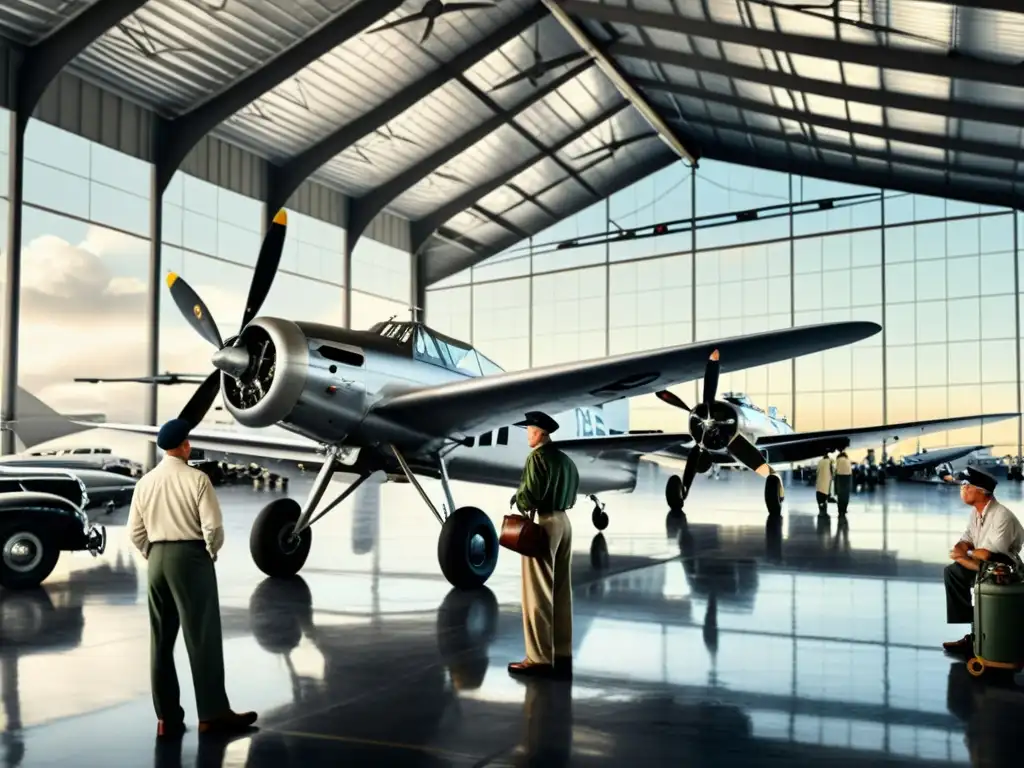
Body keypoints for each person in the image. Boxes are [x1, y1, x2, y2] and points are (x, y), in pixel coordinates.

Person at [128, 418, 257, 737]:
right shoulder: (197, 479)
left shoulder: (145, 482)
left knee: (160, 641)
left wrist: (153, 552)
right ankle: (212, 714)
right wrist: (209, 552)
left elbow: (135, 531)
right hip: (191, 557)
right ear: (184, 445)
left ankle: (166, 717)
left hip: (157, 559)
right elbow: (212, 528)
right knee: (202, 637)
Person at [507, 411, 580, 679]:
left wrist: (519, 499)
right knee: (561, 591)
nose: (527, 433)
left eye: (529, 430)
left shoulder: (537, 457)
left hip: (545, 524)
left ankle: (538, 658)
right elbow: (573, 490)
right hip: (565, 522)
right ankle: (561, 653)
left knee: (537, 591)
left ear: (540, 433)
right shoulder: (565, 459)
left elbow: (531, 493)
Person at [939, 466, 1024, 656]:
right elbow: (965, 541)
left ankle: (982, 632)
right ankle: (976, 630)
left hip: (1003, 567)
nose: (962, 488)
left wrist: (963, 554)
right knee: (952, 572)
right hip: (983, 562)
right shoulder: (976, 512)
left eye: (966, 485)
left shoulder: (1001, 515)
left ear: (980, 491)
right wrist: (964, 551)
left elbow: (988, 555)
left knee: (960, 567)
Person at [834, 450, 852, 517]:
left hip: (840, 476)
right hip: (847, 477)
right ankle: (844, 509)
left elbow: (836, 469)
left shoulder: (838, 459)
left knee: (840, 494)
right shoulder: (847, 460)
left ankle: (840, 509)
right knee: (846, 495)